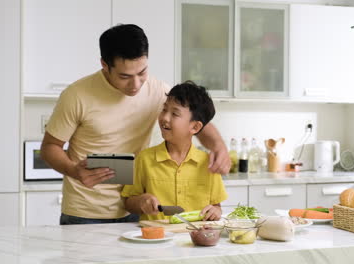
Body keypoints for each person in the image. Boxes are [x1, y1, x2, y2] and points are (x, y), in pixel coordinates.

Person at [40, 24, 230, 225]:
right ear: (105, 64)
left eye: (142, 72)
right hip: (85, 211)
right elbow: (49, 148)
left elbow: (195, 118)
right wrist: (74, 170)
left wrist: (218, 146)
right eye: (125, 76)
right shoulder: (77, 95)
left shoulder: (157, 90)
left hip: (135, 210)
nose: (136, 84)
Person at [122, 81, 228, 221]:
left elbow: (216, 206)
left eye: (175, 114)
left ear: (195, 127)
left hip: (193, 238)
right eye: (164, 109)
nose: (165, 117)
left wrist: (216, 211)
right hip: (156, 237)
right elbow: (128, 203)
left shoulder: (208, 164)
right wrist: (141, 201)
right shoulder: (145, 158)